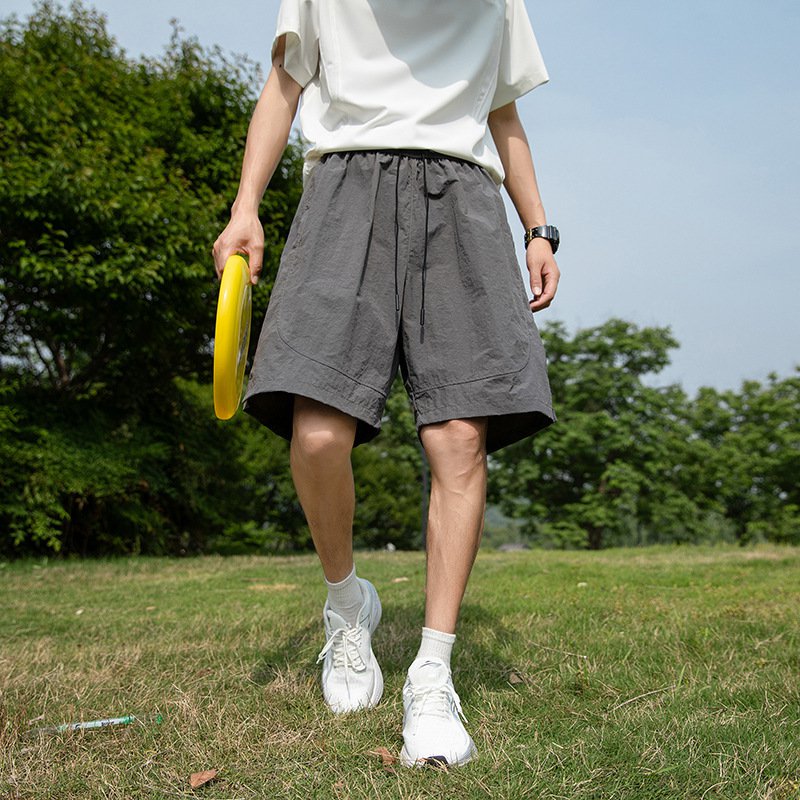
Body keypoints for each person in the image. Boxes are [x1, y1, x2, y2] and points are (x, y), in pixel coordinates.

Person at [212, 0, 560, 767]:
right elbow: (283, 84)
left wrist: (537, 227)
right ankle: (348, 605)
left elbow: (498, 109)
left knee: (460, 438)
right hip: (343, 192)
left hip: (464, 199)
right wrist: (246, 209)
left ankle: (431, 675)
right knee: (318, 433)